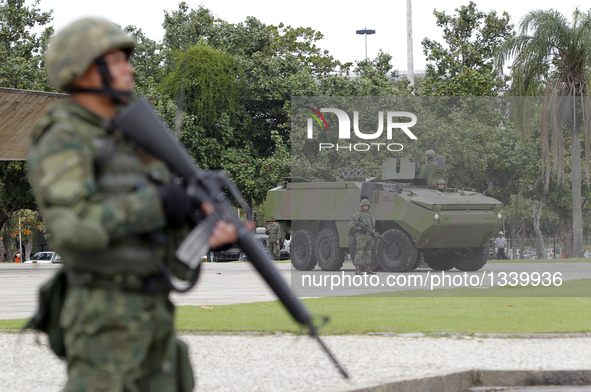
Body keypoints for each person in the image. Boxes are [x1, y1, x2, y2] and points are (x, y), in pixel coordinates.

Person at [27, 18, 238, 392]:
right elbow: (73, 230)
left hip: (154, 310)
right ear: (85, 68)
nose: (131, 68)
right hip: (103, 318)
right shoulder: (64, 137)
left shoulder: (134, 142)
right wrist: (157, 205)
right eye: (118, 60)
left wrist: (202, 235)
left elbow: (172, 259)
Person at [348, 199, 377, 275]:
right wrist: (359, 228)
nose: (366, 207)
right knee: (360, 252)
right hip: (361, 236)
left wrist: (373, 232)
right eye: (364, 206)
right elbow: (351, 224)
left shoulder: (369, 214)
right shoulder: (358, 214)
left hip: (369, 236)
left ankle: (368, 269)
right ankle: (357, 269)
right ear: (362, 206)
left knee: (368, 252)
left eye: (367, 206)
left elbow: (372, 225)